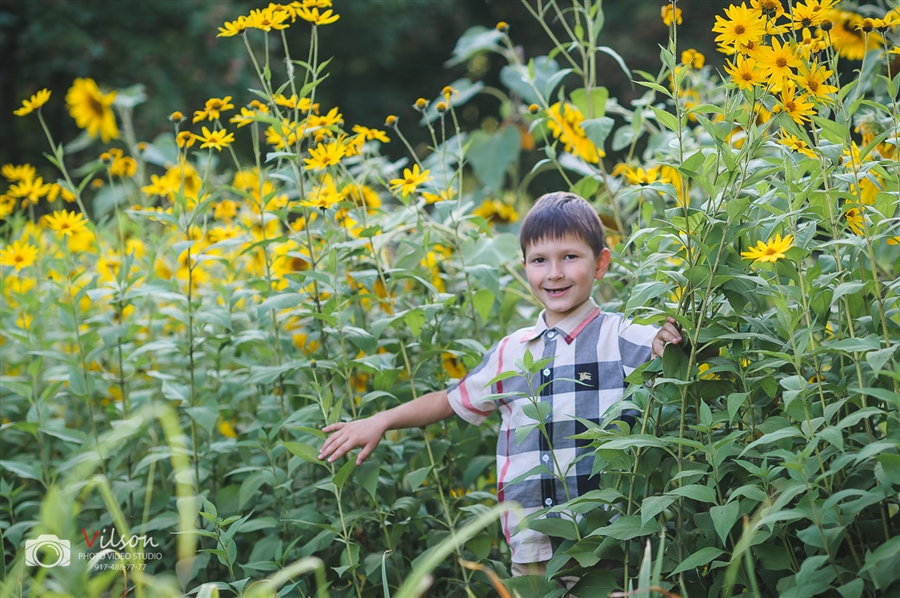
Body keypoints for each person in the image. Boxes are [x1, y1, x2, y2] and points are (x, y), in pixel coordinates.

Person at [318, 191, 682, 588]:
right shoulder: (513, 351)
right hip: (533, 546)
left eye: (570, 257)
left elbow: (671, 352)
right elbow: (450, 400)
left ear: (601, 264)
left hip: (608, 544)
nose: (554, 273)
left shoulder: (623, 336)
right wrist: (381, 419)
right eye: (540, 260)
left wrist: (671, 340)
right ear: (524, 265)